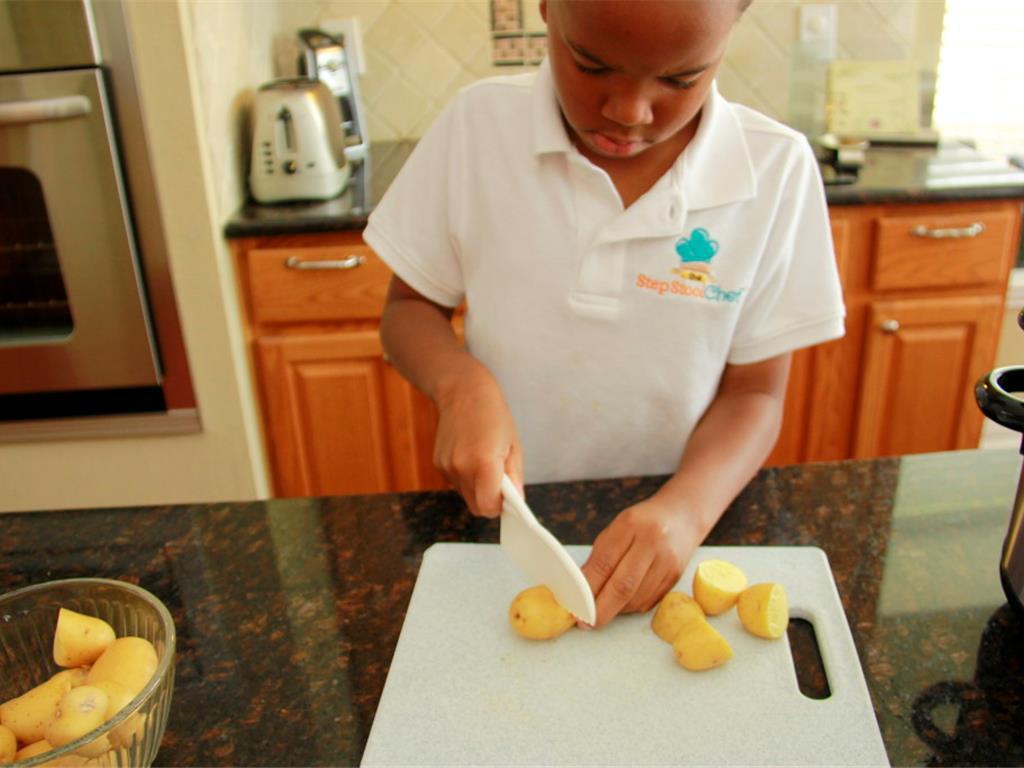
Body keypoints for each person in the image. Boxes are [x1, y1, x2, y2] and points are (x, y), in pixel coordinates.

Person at [364, 0, 844, 628]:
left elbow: (755, 394)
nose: (629, 111)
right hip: (503, 519)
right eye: (592, 65)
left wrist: (686, 510)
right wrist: (460, 387)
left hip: (680, 525)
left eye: (679, 79)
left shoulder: (774, 170)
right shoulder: (478, 127)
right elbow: (408, 309)